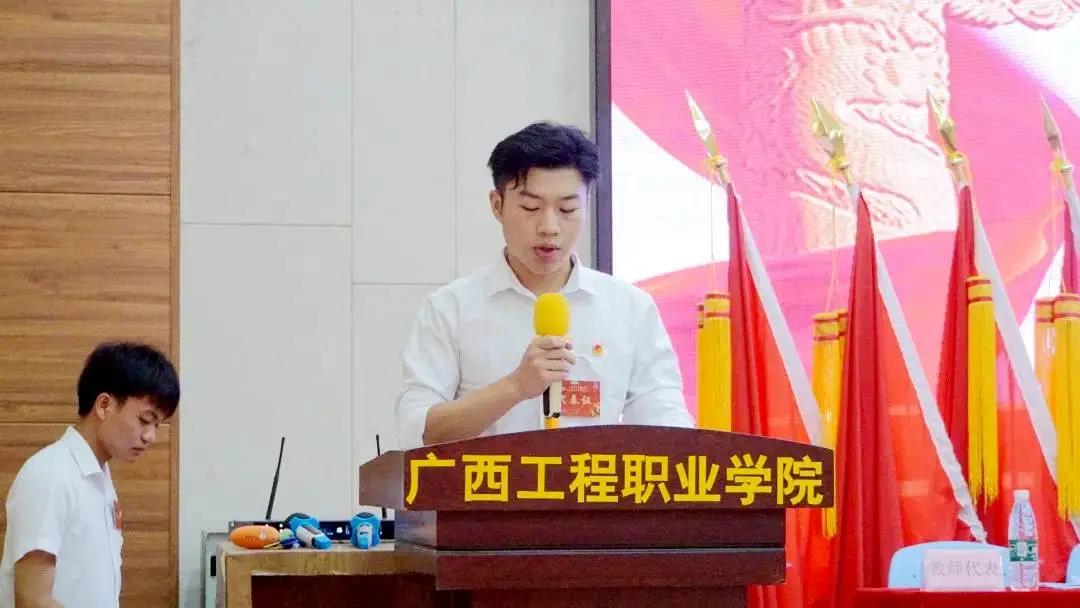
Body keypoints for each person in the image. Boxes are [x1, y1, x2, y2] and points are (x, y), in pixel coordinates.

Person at [396, 121, 693, 448]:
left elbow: (667, 422)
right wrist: (515, 387)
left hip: (593, 481)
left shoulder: (629, 308)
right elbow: (416, 431)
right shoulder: (450, 309)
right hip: (491, 483)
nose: (549, 227)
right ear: (497, 205)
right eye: (531, 208)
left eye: (567, 209)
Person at [0, 342, 180, 608]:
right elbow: (33, 600)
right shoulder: (50, 475)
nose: (150, 437)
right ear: (104, 405)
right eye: (144, 420)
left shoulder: (99, 476)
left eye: (157, 425)